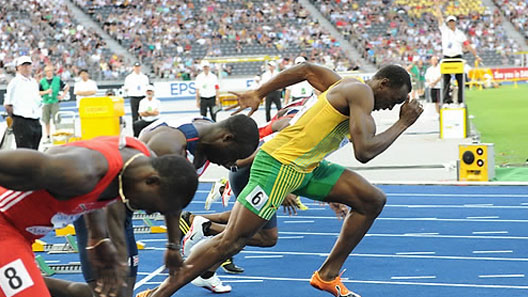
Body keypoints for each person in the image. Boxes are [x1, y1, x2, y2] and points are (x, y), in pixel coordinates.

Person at [139, 62, 423, 297]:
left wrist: (259, 92)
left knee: (371, 200)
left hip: (305, 168)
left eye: (398, 107)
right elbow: (364, 152)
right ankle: (159, 294)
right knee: (232, 242)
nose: (392, 108)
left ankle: (327, 275)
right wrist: (403, 123)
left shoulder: (344, 85)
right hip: (278, 165)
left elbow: (307, 69)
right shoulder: (361, 92)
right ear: (383, 83)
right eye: (395, 101)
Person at [66, 115, 259, 296]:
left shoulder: (208, 137)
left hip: (124, 207)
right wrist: (101, 239)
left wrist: (173, 245)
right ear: (226, 139)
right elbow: (160, 196)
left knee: (123, 289)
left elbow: (172, 196)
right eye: (234, 156)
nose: (231, 163)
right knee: (109, 290)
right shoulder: (169, 145)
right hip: (99, 205)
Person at [0, 135, 198, 297]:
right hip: (5, 227)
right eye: (153, 207)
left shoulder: (144, 159)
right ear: (152, 182)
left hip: (25, 233)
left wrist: (97, 236)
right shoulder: (78, 171)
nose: (147, 212)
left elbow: (98, 192)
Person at [434, 8, 480, 104]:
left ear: (455, 22)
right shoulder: (444, 30)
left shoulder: (460, 34)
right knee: (446, 79)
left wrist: (476, 55)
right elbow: (439, 18)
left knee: (460, 79)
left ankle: (460, 100)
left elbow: (467, 45)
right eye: (449, 22)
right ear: (447, 23)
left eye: (452, 22)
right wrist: (437, 5)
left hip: (457, 56)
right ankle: (446, 100)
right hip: (447, 56)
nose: (451, 23)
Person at [4, 56, 42, 150]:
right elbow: (8, 104)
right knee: (24, 151)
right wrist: (15, 119)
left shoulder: (33, 82)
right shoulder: (15, 83)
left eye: (28, 65)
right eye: (23, 65)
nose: (26, 67)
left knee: (35, 149)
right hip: (22, 120)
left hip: (35, 119)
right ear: (18, 67)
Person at [39, 65, 70, 143]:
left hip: (55, 102)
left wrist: (63, 95)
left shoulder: (57, 79)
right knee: (46, 120)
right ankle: (48, 136)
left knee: (57, 119)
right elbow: (38, 92)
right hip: (46, 102)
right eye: (47, 71)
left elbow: (66, 87)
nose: (49, 72)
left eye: (50, 71)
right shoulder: (42, 81)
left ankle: (58, 135)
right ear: (45, 72)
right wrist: (46, 92)